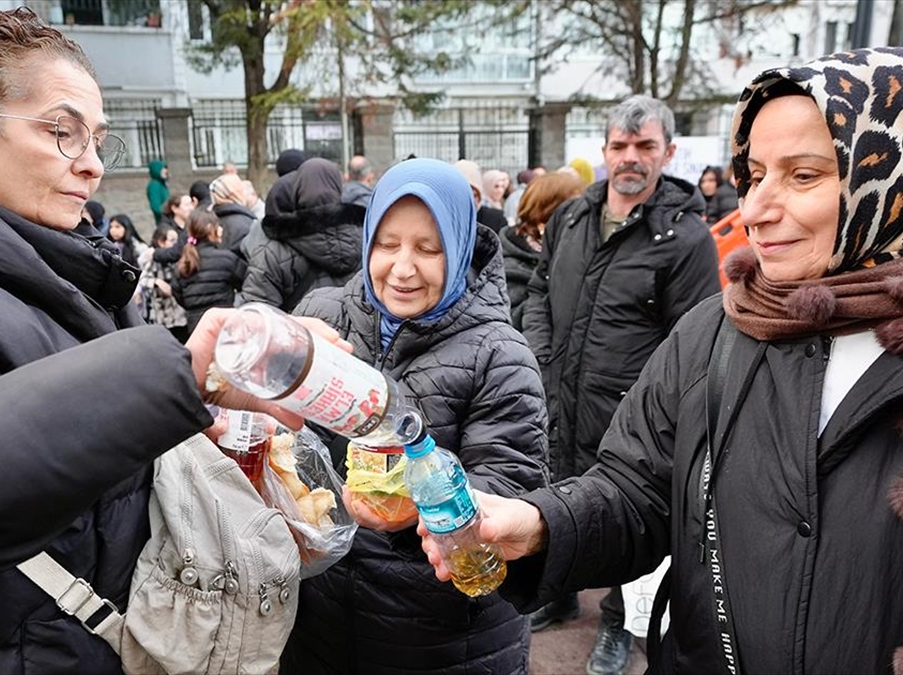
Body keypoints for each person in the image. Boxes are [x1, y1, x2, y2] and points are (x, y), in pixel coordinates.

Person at [423, 48, 903, 675]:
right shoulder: (719, 328)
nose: (757, 208)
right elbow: (634, 491)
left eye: (804, 175)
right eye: (755, 174)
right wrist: (538, 523)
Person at [0, 9, 342, 673]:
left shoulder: (63, 274)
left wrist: (197, 422)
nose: (94, 166)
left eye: (99, 140)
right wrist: (180, 375)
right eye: (63, 134)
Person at [280, 158, 549, 675]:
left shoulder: (499, 354)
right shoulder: (325, 316)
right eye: (387, 244)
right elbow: (288, 440)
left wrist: (417, 504)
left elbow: (512, 486)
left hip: (440, 634)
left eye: (429, 249)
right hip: (321, 616)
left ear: (461, 248)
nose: (403, 268)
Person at [519, 95, 720, 673]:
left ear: (668, 152)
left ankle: (614, 620)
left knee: (624, 517)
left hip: (631, 413)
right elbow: (540, 291)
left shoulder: (685, 241)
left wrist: (651, 399)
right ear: (604, 150)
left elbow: (694, 338)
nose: (630, 158)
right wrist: (538, 355)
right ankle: (557, 594)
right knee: (556, 493)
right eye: (620, 146)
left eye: (645, 146)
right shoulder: (571, 218)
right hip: (560, 396)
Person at [240, 158, 365, 311]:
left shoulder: (271, 251)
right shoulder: (367, 240)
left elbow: (256, 318)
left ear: (297, 189)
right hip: (348, 335)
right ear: (338, 187)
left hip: (297, 333)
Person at [500, 171, 586, 331]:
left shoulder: (578, 251)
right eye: (572, 215)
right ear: (542, 220)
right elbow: (514, 323)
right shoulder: (509, 267)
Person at [174, 208, 246, 334]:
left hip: (195, 327)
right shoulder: (227, 259)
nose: (221, 230)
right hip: (224, 322)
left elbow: (178, 293)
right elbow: (245, 281)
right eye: (218, 226)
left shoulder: (183, 264)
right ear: (209, 229)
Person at [136, 226, 187, 341]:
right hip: (163, 311)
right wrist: (157, 282)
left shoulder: (179, 258)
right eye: (172, 240)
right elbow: (143, 278)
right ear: (161, 242)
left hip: (180, 310)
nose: (176, 244)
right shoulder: (154, 258)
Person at [208, 172, 257, 256]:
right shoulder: (245, 223)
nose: (245, 193)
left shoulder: (208, 220)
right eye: (241, 190)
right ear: (234, 194)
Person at [454, 159, 507, 233]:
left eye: (474, 195)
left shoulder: (495, 219)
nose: (470, 200)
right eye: (463, 194)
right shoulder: (444, 220)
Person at [146, 159, 170, 225]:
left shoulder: (162, 184)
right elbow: (156, 207)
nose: (166, 171)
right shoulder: (154, 185)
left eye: (166, 168)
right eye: (163, 168)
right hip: (164, 221)